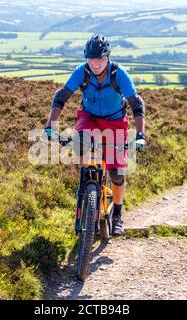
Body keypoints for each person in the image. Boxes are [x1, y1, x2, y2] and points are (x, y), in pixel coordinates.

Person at [44, 33, 146, 237]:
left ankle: (117, 214)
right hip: (89, 117)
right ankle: (85, 184)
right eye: (91, 59)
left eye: (99, 58)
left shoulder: (119, 74)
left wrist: (140, 134)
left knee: (117, 174)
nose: (95, 63)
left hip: (115, 121)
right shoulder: (82, 73)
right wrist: (50, 126)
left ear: (107, 57)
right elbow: (61, 96)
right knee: (80, 143)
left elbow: (136, 103)